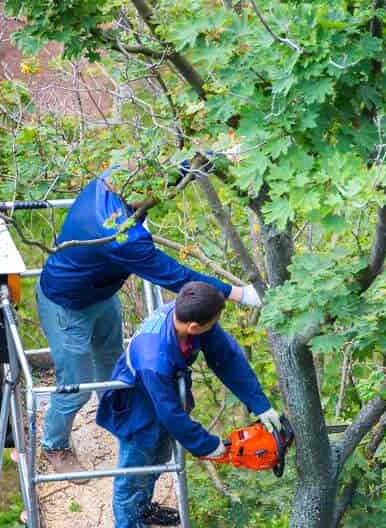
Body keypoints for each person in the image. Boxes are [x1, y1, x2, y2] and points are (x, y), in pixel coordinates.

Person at [37, 169, 261, 477]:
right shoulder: (122, 236)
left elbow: (161, 166)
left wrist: (200, 161)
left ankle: (117, 418)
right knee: (76, 386)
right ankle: (54, 444)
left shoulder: (113, 177)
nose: (162, 194)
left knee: (111, 362)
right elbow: (177, 276)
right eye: (158, 190)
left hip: (101, 294)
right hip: (66, 303)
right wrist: (240, 294)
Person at [97, 281, 280, 528]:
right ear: (194, 327)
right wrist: (206, 445)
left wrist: (259, 403)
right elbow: (171, 414)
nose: (216, 326)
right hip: (138, 405)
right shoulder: (154, 356)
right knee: (134, 471)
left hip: (165, 391)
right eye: (214, 322)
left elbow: (226, 358)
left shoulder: (190, 316)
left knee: (158, 459)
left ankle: (143, 509)